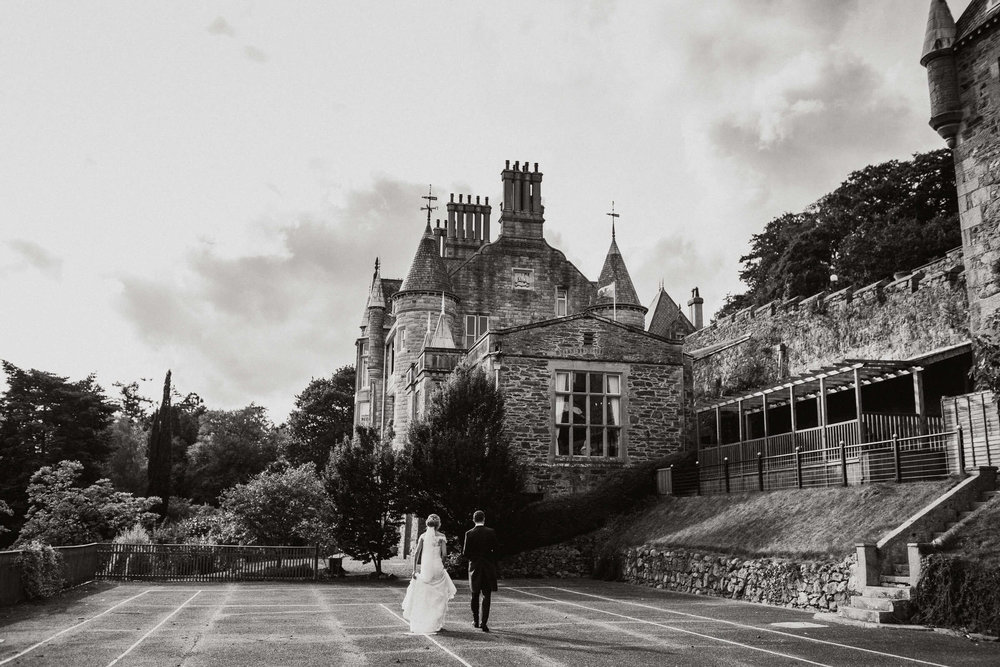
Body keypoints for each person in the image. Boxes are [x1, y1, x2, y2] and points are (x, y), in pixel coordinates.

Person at [401, 513, 457, 634]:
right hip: (437, 568)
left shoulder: (422, 536)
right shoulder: (441, 536)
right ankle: (437, 623)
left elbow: (416, 554)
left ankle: (427, 620)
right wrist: (441, 564)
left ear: (427, 524)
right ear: (438, 525)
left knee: (426, 595)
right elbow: (445, 554)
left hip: (426, 569)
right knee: (440, 595)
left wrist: (414, 569)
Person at [462, 509, 498, 632]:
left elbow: (465, 553)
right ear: (484, 519)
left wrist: (473, 558)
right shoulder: (491, 532)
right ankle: (484, 623)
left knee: (474, 594)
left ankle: (476, 620)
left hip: (475, 567)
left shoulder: (469, 533)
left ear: (473, 519)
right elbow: (496, 550)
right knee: (487, 595)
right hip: (488, 566)